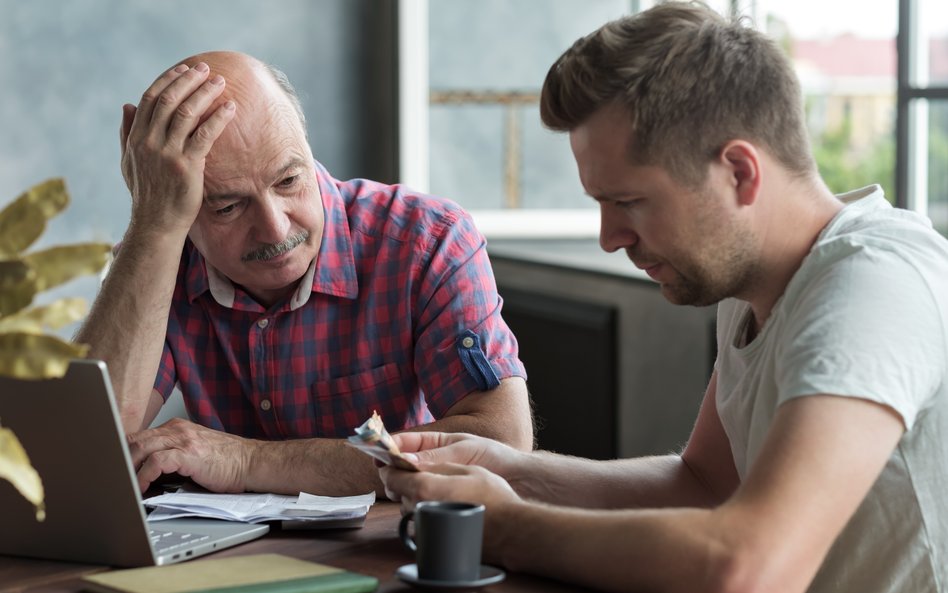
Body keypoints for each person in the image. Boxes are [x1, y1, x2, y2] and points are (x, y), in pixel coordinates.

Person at [379, 2, 948, 592]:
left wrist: (507, 527)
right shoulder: (752, 286)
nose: (609, 238)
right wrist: (514, 473)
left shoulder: (873, 285)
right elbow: (703, 484)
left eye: (628, 203)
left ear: (739, 174)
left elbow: (750, 567)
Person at [74, 51, 533, 497]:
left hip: (390, 552)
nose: (275, 227)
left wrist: (247, 461)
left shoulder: (426, 241)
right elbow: (80, 454)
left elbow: (500, 443)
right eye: (228, 207)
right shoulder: (158, 259)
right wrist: (152, 226)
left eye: (289, 181)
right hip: (227, 564)